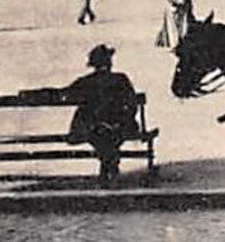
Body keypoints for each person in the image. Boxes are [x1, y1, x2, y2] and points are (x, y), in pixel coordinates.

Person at [25, 45, 141, 184]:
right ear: (109, 62)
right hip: (119, 127)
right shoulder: (121, 79)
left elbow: (62, 94)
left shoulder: (86, 82)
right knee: (109, 135)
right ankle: (109, 167)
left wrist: (31, 94)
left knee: (100, 133)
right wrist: (120, 122)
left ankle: (107, 167)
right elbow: (132, 104)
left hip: (94, 129)